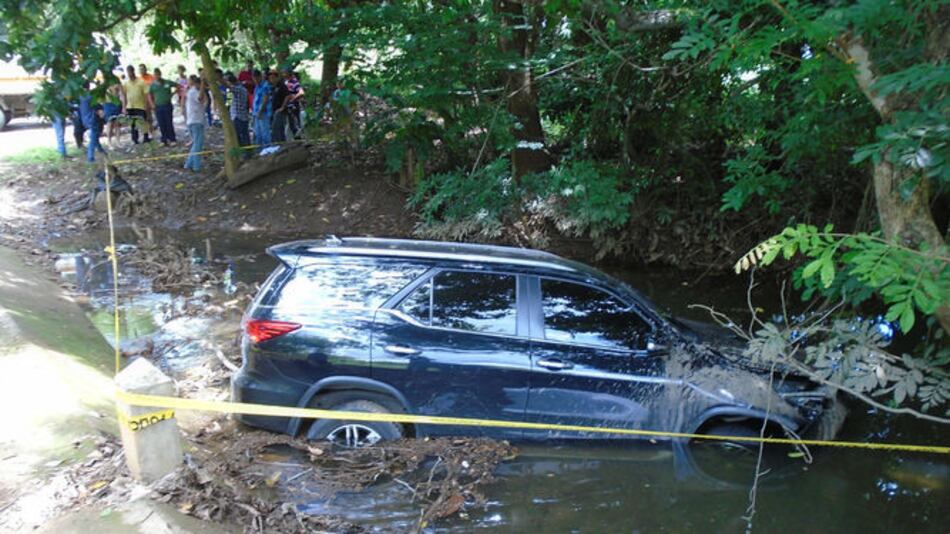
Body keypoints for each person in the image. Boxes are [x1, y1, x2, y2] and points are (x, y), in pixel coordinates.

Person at [148, 68, 178, 146]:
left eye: (158, 74)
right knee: (161, 123)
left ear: (160, 74)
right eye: (155, 75)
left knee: (169, 122)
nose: (157, 76)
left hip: (167, 105)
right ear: (154, 76)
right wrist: (152, 104)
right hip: (158, 106)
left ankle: (172, 139)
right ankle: (164, 139)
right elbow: (149, 95)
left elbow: (177, 86)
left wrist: (172, 94)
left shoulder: (167, 82)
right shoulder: (152, 85)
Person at [122, 65, 151, 143]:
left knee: (142, 121)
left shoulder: (141, 82)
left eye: (130, 72)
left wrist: (147, 104)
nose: (129, 74)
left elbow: (146, 94)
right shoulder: (126, 83)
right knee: (133, 123)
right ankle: (135, 139)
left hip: (140, 105)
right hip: (130, 106)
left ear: (133, 71)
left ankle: (145, 137)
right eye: (128, 72)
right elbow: (124, 95)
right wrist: (124, 107)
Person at [184, 75, 207, 171]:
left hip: (196, 120)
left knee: (196, 144)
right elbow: (200, 97)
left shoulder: (193, 91)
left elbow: (204, 101)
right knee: (198, 145)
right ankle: (195, 166)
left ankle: (188, 164)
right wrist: (202, 83)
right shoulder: (193, 92)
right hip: (195, 121)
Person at [79, 86, 106, 162]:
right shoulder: (90, 96)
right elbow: (98, 106)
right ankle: (90, 157)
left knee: (94, 136)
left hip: (84, 119)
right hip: (92, 119)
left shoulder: (80, 96)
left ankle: (101, 150)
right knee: (93, 138)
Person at [226, 73, 250, 149]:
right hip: (234, 116)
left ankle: (247, 153)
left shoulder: (239, 89)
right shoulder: (231, 91)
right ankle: (242, 152)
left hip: (240, 116)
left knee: (243, 135)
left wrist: (220, 80)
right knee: (237, 136)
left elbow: (230, 88)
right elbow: (229, 102)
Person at [269, 70, 291, 143]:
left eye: (273, 77)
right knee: (276, 130)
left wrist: (282, 107)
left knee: (278, 129)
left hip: (280, 112)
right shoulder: (273, 87)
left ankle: (281, 144)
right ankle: (280, 144)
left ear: (277, 77)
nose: (272, 79)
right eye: (270, 78)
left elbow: (288, 96)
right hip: (274, 111)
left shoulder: (282, 85)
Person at [251, 69, 271, 146]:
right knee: (257, 133)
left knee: (265, 133)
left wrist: (260, 111)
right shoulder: (256, 87)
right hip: (256, 113)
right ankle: (259, 150)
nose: (255, 80)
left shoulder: (265, 86)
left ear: (260, 77)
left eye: (256, 78)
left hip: (263, 113)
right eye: (253, 78)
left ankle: (267, 149)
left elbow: (265, 99)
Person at [283, 69, 304, 138]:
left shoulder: (295, 82)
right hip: (287, 106)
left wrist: (293, 98)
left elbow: (301, 92)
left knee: (295, 124)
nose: (284, 75)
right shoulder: (286, 82)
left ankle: (298, 139)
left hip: (293, 106)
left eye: (285, 73)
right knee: (290, 124)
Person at [102, 81, 122, 147]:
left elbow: (121, 94)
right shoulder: (104, 85)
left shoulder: (117, 83)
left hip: (116, 103)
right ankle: (109, 142)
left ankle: (118, 142)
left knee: (117, 124)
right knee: (109, 124)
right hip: (108, 104)